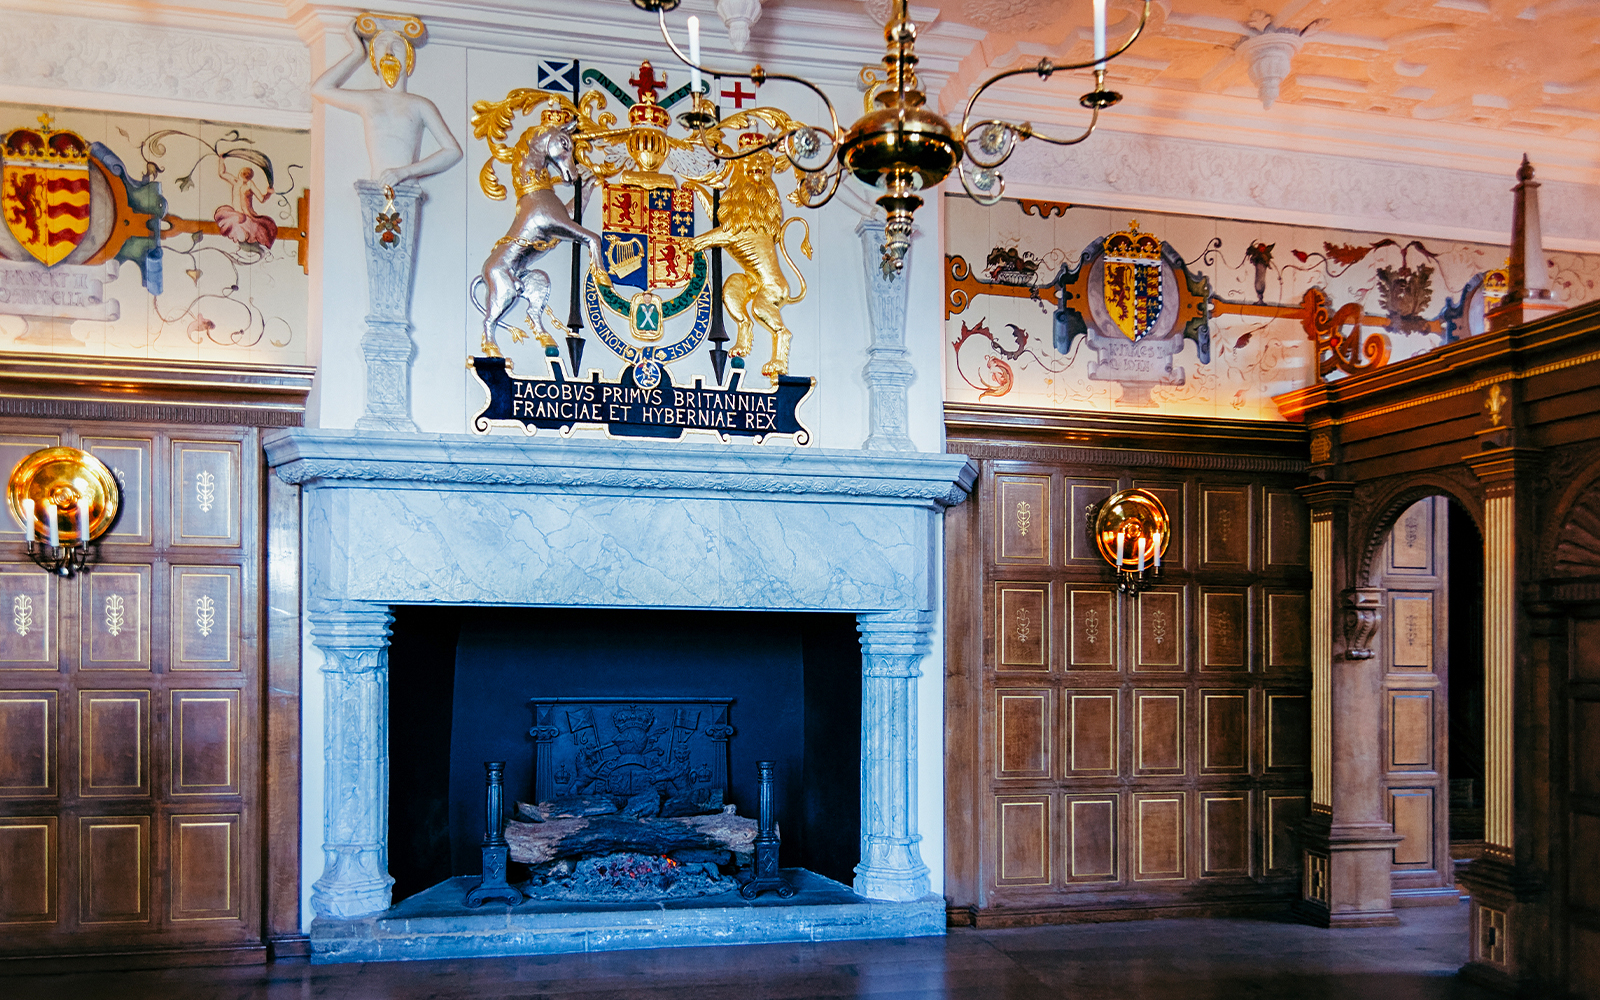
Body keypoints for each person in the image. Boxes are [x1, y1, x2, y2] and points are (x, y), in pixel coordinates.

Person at [310, 17, 462, 187]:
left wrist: (405, 172)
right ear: (374, 58)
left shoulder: (420, 105)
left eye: (397, 46)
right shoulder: (368, 100)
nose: (389, 52)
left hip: (407, 188)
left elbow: (452, 151)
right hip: (374, 187)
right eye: (381, 44)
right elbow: (320, 89)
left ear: (408, 60)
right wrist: (357, 53)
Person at [213, 156, 277, 248]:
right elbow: (222, 173)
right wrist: (221, 160)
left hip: (248, 216)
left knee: (254, 233)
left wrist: (269, 193)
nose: (244, 177)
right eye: (243, 174)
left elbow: (262, 199)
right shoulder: (236, 182)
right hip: (236, 215)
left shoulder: (249, 185)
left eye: (246, 176)